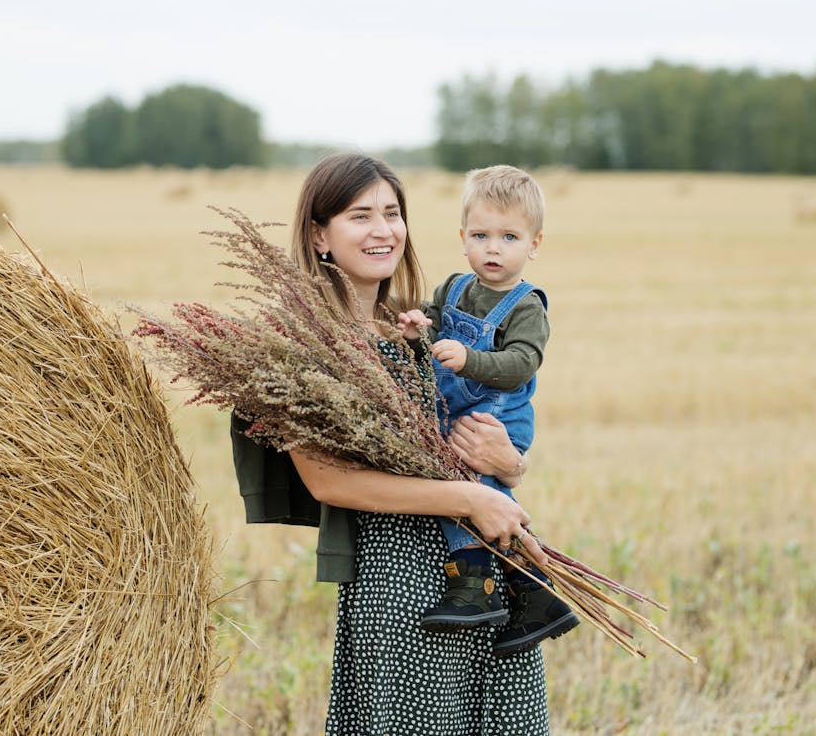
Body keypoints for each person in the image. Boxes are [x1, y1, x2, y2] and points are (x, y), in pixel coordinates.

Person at [231, 153, 551, 734]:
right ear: (319, 235)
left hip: (488, 567)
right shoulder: (299, 349)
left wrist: (511, 464)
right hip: (401, 578)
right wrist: (469, 501)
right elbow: (327, 480)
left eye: (392, 212)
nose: (383, 230)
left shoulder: (420, 325)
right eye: (360, 216)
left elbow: (480, 428)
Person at [398, 165, 580, 657]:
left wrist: (469, 358)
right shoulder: (454, 288)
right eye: (481, 235)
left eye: (508, 237)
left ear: (534, 245)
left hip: (497, 421)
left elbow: (522, 364)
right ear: (463, 238)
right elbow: (436, 324)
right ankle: (536, 595)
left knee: (474, 497)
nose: (493, 248)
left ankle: (475, 587)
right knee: (476, 496)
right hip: (457, 417)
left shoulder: (527, 307)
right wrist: (422, 325)